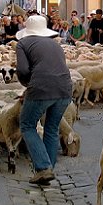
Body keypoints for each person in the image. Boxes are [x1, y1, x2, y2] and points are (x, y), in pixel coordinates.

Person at [15, 15, 72, 185]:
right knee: (52, 128)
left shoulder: (23, 44)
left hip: (41, 88)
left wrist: (28, 86)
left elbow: (23, 70)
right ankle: (48, 169)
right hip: (65, 88)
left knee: (27, 124)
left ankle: (43, 167)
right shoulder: (56, 45)